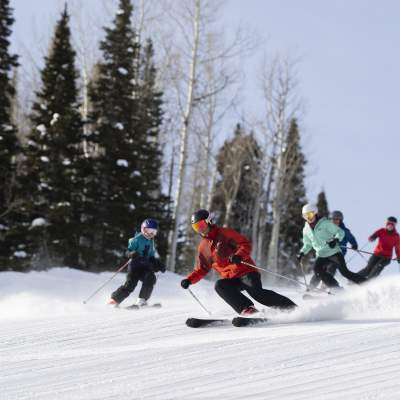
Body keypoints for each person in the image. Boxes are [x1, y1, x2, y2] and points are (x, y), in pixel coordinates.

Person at [180, 209, 296, 315]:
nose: (200, 229)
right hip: (231, 279)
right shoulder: (203, 247)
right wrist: (189, 280)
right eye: (196, 227)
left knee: (258, 295)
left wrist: (238, 255)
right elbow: (202, 268)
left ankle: (291, 308)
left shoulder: (224, 233)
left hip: (246, 272)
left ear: (209, 221)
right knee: (220, 285)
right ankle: (248, 309)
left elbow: (244, 244)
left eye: (201, 225)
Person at [297, 204, 365, 289]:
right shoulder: (306, 229)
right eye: (305, 216)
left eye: (310, 215)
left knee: (345, 273)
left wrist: (335, 240)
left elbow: (340, 232)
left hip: (334, 252)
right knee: (317, 270)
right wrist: (302, 252)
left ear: (315, 213)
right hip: (321, 255)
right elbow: (307, 244)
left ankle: (366, 283)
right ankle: (335, 287)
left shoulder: (325, 223)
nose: (308, 218)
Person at [109, 218, 165, 306]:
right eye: (149, 231)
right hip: (135, 267)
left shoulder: (152, 243)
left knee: (150, 278)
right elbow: (127, 252)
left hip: (145, 268)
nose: (151, 234)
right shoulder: (137, 239)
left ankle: (142, 300)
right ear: (143, 229)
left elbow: (151, 257)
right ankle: (114, 300)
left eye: (154, 232)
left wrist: (158, 264)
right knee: (130, 285)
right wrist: (132, 253)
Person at [309, 210, 358, 288]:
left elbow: (351, 238)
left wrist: (354, 244)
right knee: (319, 270)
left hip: (337, 254)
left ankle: (325, 286)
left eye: (337, 220)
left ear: (340, 221)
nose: (335, 221)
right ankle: (311, 287)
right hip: (326, 253)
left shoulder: (344, 230)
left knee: (332, 267)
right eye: (333, 219)